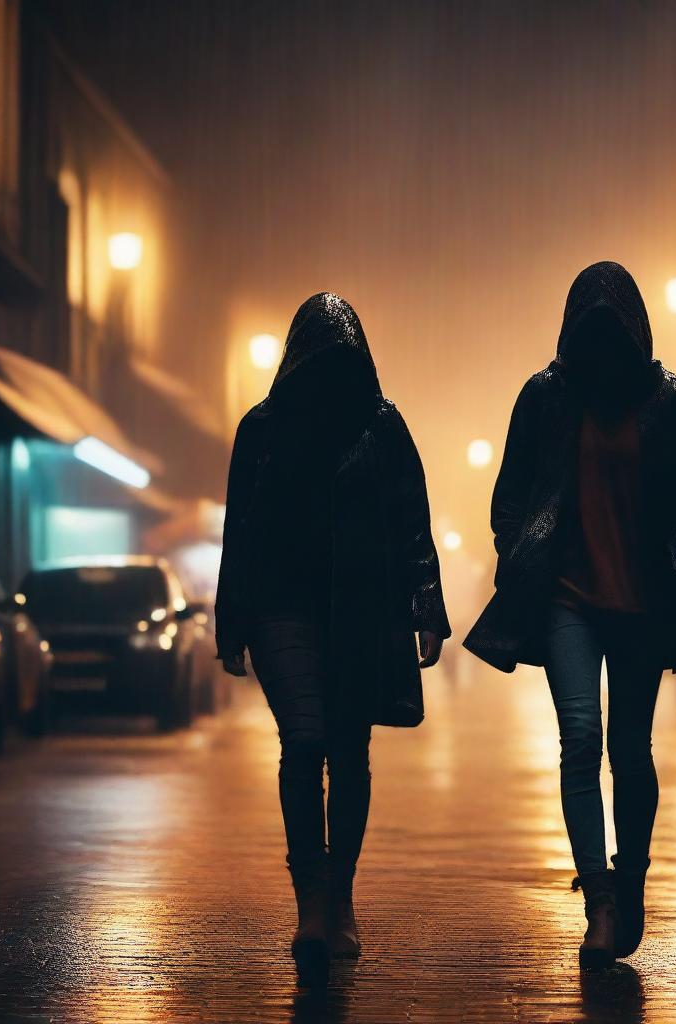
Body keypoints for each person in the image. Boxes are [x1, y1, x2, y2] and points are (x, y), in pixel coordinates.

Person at [465, 261, 676, 969]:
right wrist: (515, 550)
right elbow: (511, 492)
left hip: (642, 602)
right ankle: (600, 903)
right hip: (566, 599)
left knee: (629, 753)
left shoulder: (670, 401)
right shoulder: (545, 397)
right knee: (581, 738)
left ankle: (630, 873)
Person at [215, 293, 450, 985]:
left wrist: (425, 604)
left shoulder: (382, 426)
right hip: (281, 605)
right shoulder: (261, 429)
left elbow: (413, 518)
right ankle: (311, 900)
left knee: (349, 748)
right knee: (307, 741)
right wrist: (232, 619)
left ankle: (338, 893)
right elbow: (240, 530)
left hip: (359, 606)